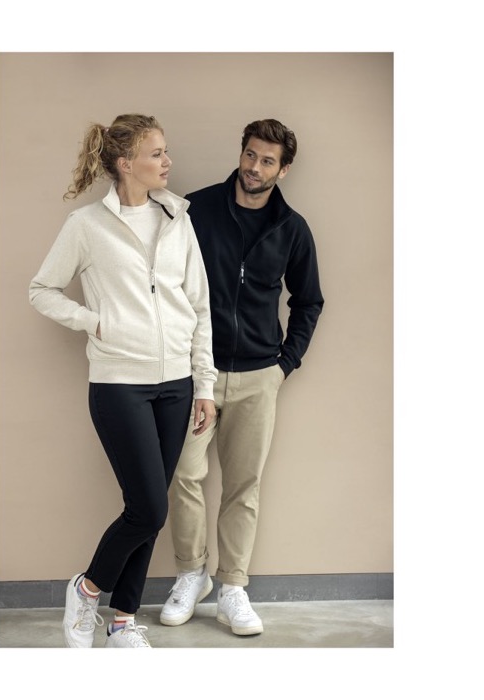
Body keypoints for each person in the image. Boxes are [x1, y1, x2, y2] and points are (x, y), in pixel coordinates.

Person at [29, 114, 217, 648]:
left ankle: (122, 623)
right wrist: (95, 322)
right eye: (157, 153)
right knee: (149, 507)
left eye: (165, 151)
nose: (168, 161)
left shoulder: (178, 219)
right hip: (119, 384)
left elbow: (199, 306)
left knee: (149, 513)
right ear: (124, 162)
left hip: (177, 383)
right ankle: (88, 588)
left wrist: (204, 384)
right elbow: (41, 290)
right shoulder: (87, 225)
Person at [160, 118, 324, 636]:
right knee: (183, 475)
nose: (255, 167)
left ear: (283, 169)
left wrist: (283, 365)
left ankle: (232, 586)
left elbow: (309, 301)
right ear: (242, 153)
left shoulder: (292, 228)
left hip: (258, 375)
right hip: (196, 374)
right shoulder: (197, 209)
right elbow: (166, 281)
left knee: (243, 485)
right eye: (250, 155)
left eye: (267, 161)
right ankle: (191, 574)